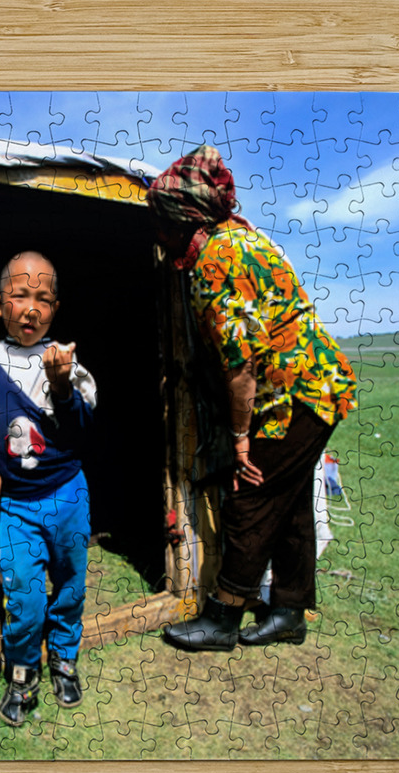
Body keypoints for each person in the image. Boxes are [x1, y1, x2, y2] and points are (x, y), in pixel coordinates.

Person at [147, 145, 356, 651]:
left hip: (294, 397)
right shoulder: (245, 238)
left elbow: (240, 366)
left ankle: (222, 617)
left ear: (182, 220)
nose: (157, 233)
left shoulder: (214, 261)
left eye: (161, 222)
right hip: (322, 386)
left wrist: (240, 439)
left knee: (251, 496)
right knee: (290, 500)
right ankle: (289, 611)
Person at [0, 251, 97, 726]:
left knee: (69, 584)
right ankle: (23, 673)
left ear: (55, 308)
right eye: (20, 295)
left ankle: (64, 658)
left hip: (68, 494)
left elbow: (83, 432)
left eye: (43, 299)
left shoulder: (67, 362)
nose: (31, 308)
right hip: (17, 505)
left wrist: (61, 386)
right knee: (23, 597)